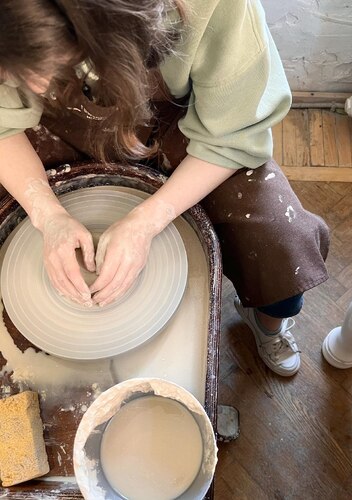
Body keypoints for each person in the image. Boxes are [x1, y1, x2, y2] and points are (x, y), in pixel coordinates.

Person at [0, 0, 329, 376]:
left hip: (179, 120)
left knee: (278, 239)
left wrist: (147, 221)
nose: (37, 85)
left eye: (44, 66)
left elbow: (231, 134)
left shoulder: (211, 6)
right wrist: (47, 215)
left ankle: (267, 323)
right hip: (58, 122)